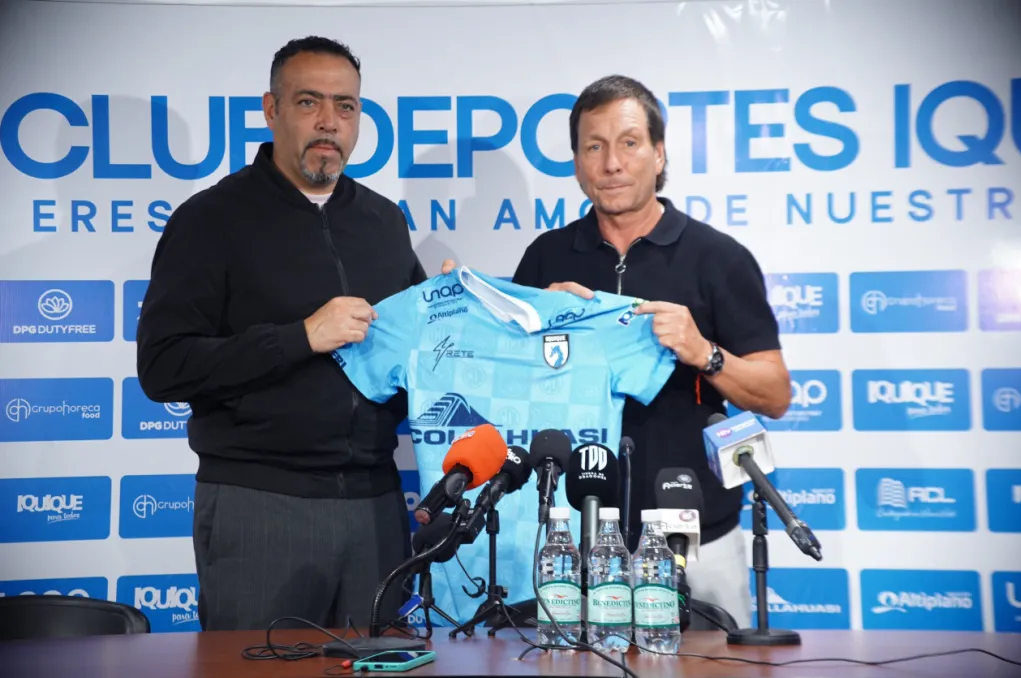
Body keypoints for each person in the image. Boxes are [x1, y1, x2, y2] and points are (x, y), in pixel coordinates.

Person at [136, 36, 443, 631]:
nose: (330, 122)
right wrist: (300, 336)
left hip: (376, 506)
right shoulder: (211, 219)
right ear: (271, 110)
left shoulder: (383, 221)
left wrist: (463, 311)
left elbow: (422, 357)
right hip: (261, 505)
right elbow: (163, 366)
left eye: (346, 106)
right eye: (309, 102)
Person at [509, 74, 791, 628]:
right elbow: (510, 390)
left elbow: (775, 393)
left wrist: (704, 351)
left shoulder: (718, 257)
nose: (612, 163)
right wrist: (533, 328)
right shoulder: (546, 258)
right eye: (594, 146)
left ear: (659, 155)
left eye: (630, 142)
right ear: (576, 162)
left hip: (698, 534)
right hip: (575, 538)